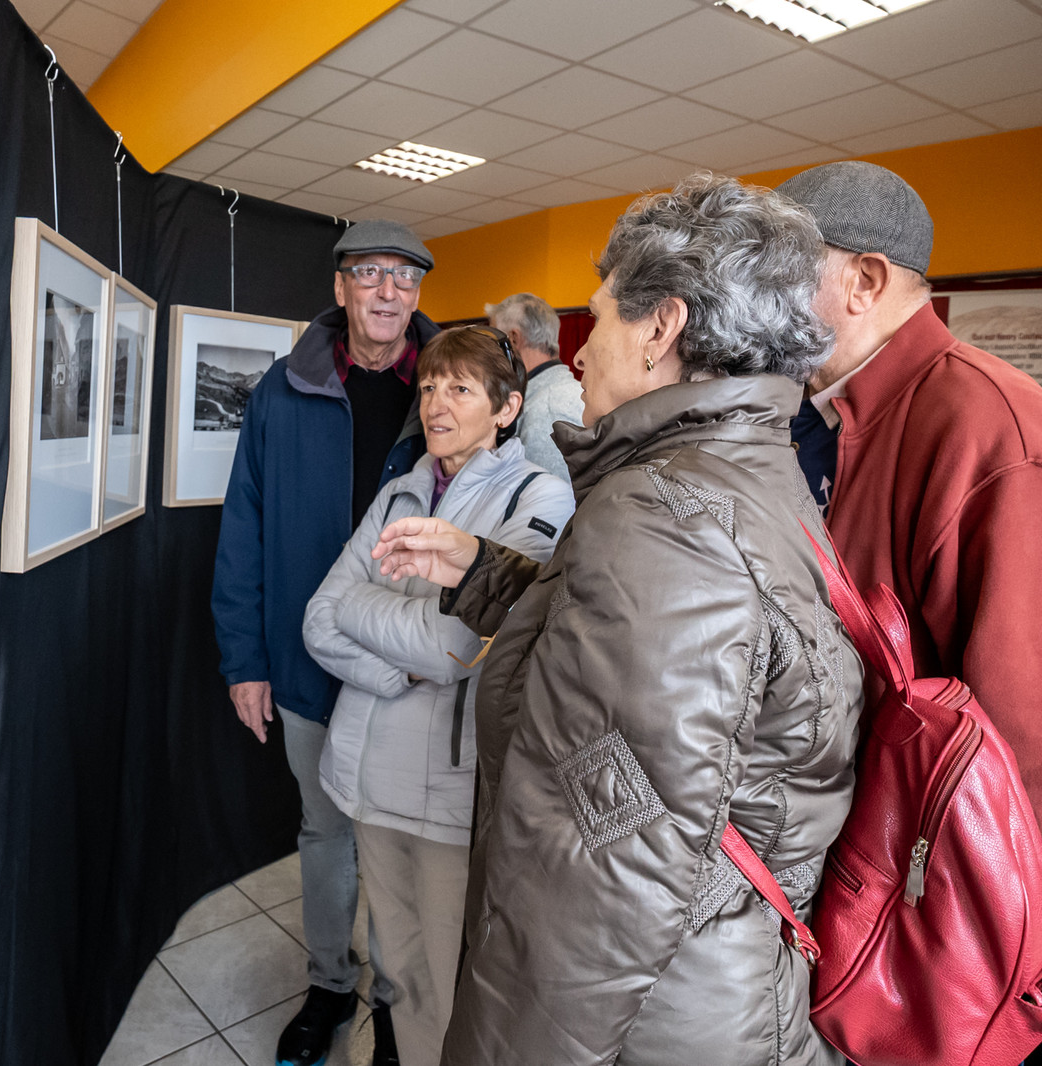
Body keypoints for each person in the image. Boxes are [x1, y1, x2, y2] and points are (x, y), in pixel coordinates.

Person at [374, 174, 866, 1065]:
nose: (581, 350)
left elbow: (599, 879)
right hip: (706, 983)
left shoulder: (664, 516)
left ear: (661, 329)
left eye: (596, 320)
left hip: (646, 1017)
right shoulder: (739, 476)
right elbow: (635, 666)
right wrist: (484, 571)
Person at [303, 326, 574, 1066]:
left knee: (454, 981)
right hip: (366, 771)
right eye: (428, 387)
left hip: (450, 793)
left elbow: (456, 644)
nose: (435, 403)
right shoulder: (399, 490)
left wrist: (398, 632)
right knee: (396, 968)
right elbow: (320, 618)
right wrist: (397, 668)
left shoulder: (539, 496)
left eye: (459, 389)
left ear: (507, 408)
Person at [212, 219, 442, 1066]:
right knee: (327, 831)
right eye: (371, 275)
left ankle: (397, 1002)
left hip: (411, 665)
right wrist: (245, 659)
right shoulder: (284, 389)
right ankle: (330, 985)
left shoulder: (448, 386)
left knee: (402, 842)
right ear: (341, 288)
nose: (389, 293)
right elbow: (245, 529)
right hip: (306, 660)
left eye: (404, 278)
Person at [775, 161, 1042, 834]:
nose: (758, 302)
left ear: (864, 281)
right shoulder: (817, 412)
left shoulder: (988, 424)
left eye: (778, 275)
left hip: (919, 868)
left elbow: (1021, 725)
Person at [484, 293, 584, 481]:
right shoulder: (564, 393)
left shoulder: (547, 410)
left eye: (492, 343)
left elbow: (550, 505)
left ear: (513, 339)